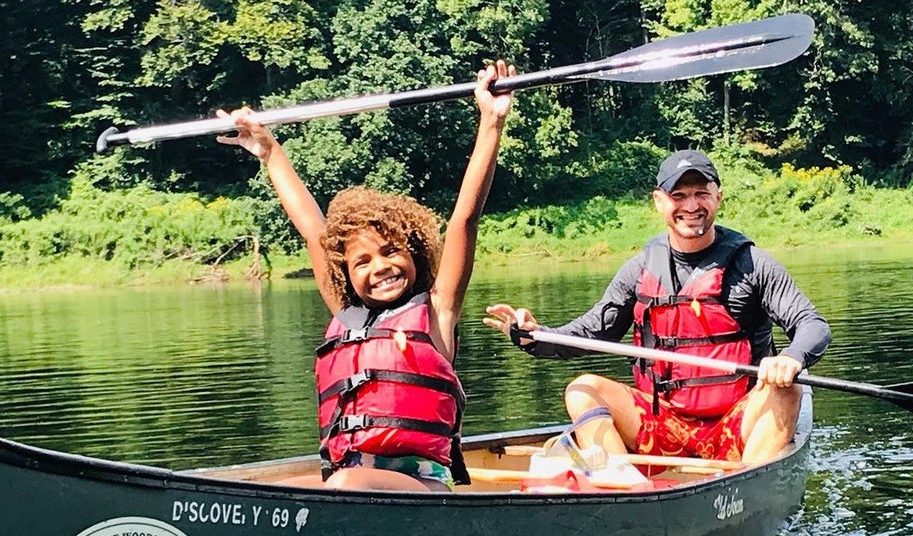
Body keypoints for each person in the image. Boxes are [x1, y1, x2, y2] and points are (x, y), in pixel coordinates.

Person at [217, 60, 515, 491]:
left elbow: (464, 220)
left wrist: (491, 121)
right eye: (362, 262)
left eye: (391, 251)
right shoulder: (346, 313)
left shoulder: (438, 310)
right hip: (352, 482)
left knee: (344, 485)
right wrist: (270, 152)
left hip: (423, 487)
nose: (380, 268)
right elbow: (313, 230)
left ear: (413, 253)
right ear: (346, 272)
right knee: (293, 488)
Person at [483, 149, 831, 466]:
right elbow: (592, 331)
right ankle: (626, 487)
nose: (691, 206)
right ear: (658, 202)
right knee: (582, 390)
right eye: (678, 196)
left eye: (701, 193)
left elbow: (811, 323)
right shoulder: (640, 270)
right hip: (663, 422)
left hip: (740, 423)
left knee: (788, 388)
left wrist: (792, 357)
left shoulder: (752, 265)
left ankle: (748, 484)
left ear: (718, 197)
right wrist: (533, 335)